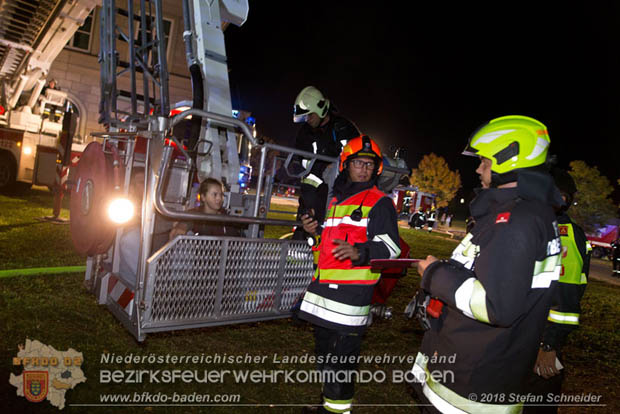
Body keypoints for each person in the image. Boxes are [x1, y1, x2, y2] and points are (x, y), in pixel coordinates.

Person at [410, 115, 564, 413]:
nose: (479, 168)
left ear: (509, 160)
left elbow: (497, 306)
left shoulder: (516, 222)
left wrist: (434, 274)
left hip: (472, 382)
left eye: (485, 161)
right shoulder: (528, 214)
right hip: (482, 370)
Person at [297, 135, 400, 414]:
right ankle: (326, 407)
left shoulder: (380, 203)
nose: (364, 169)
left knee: (339, 368)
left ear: (376, 169)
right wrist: (315, 234)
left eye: (369, 164)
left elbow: (391, 249)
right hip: (323, 299)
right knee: (325, 362)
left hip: (350, 304)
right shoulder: (338, 201)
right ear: (346, 165)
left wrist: (360, 252)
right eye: (359, 163)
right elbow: (329, 251)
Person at [521, 168, 591, 413]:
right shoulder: (537, 225)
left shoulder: (567, 235)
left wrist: (548, 345)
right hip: (521, 335)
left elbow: (565, 298)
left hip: (539, 343)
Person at [292, 86, 360, 240]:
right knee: (306, 212)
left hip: (341, 187)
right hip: (312, 185)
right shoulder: (305, 132)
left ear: (321, 109)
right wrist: (323, 166)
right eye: (305, 117)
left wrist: (335, 166)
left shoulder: (344, 128)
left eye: (310, 115)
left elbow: (358, 154)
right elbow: (301, 158)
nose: (308, 119)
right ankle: (300, 247)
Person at [169, 178, 241, 239]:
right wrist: (182, 226)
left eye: (221, 195)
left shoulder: (226, 218)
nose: (219, 198)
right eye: (215, 194)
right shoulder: (194, 214)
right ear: (203, 197)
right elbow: (186, 221)